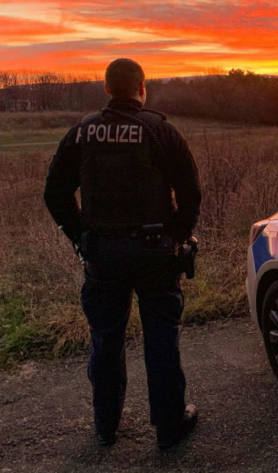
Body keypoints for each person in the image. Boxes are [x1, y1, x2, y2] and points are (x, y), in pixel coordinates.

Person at [43, 58, 201, 449]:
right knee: (161, 338)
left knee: (106, 339)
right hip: (155, 254)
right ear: (141, 89)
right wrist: (176, 236)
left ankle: (106, 426)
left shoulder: (81, 133)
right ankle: (169, 426)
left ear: (107, 90)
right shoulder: (162, 131)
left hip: (102, 256)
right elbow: (192, 195)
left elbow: (54, 193)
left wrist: (80, 236)